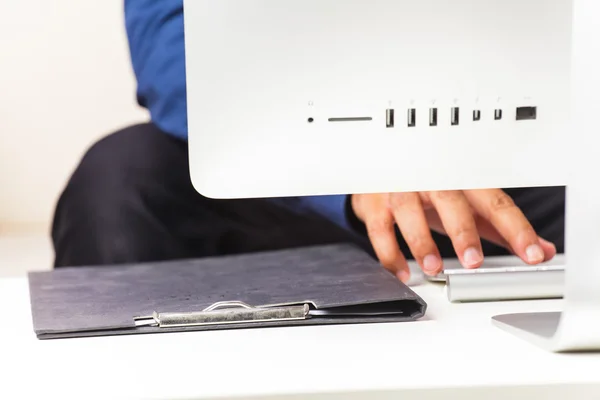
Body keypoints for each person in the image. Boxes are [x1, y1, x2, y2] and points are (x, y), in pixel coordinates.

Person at [51, 1, 565, 283]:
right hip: (279, 182)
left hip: (482, 157)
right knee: (117, 185)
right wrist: (353, 170)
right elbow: (172, 52)